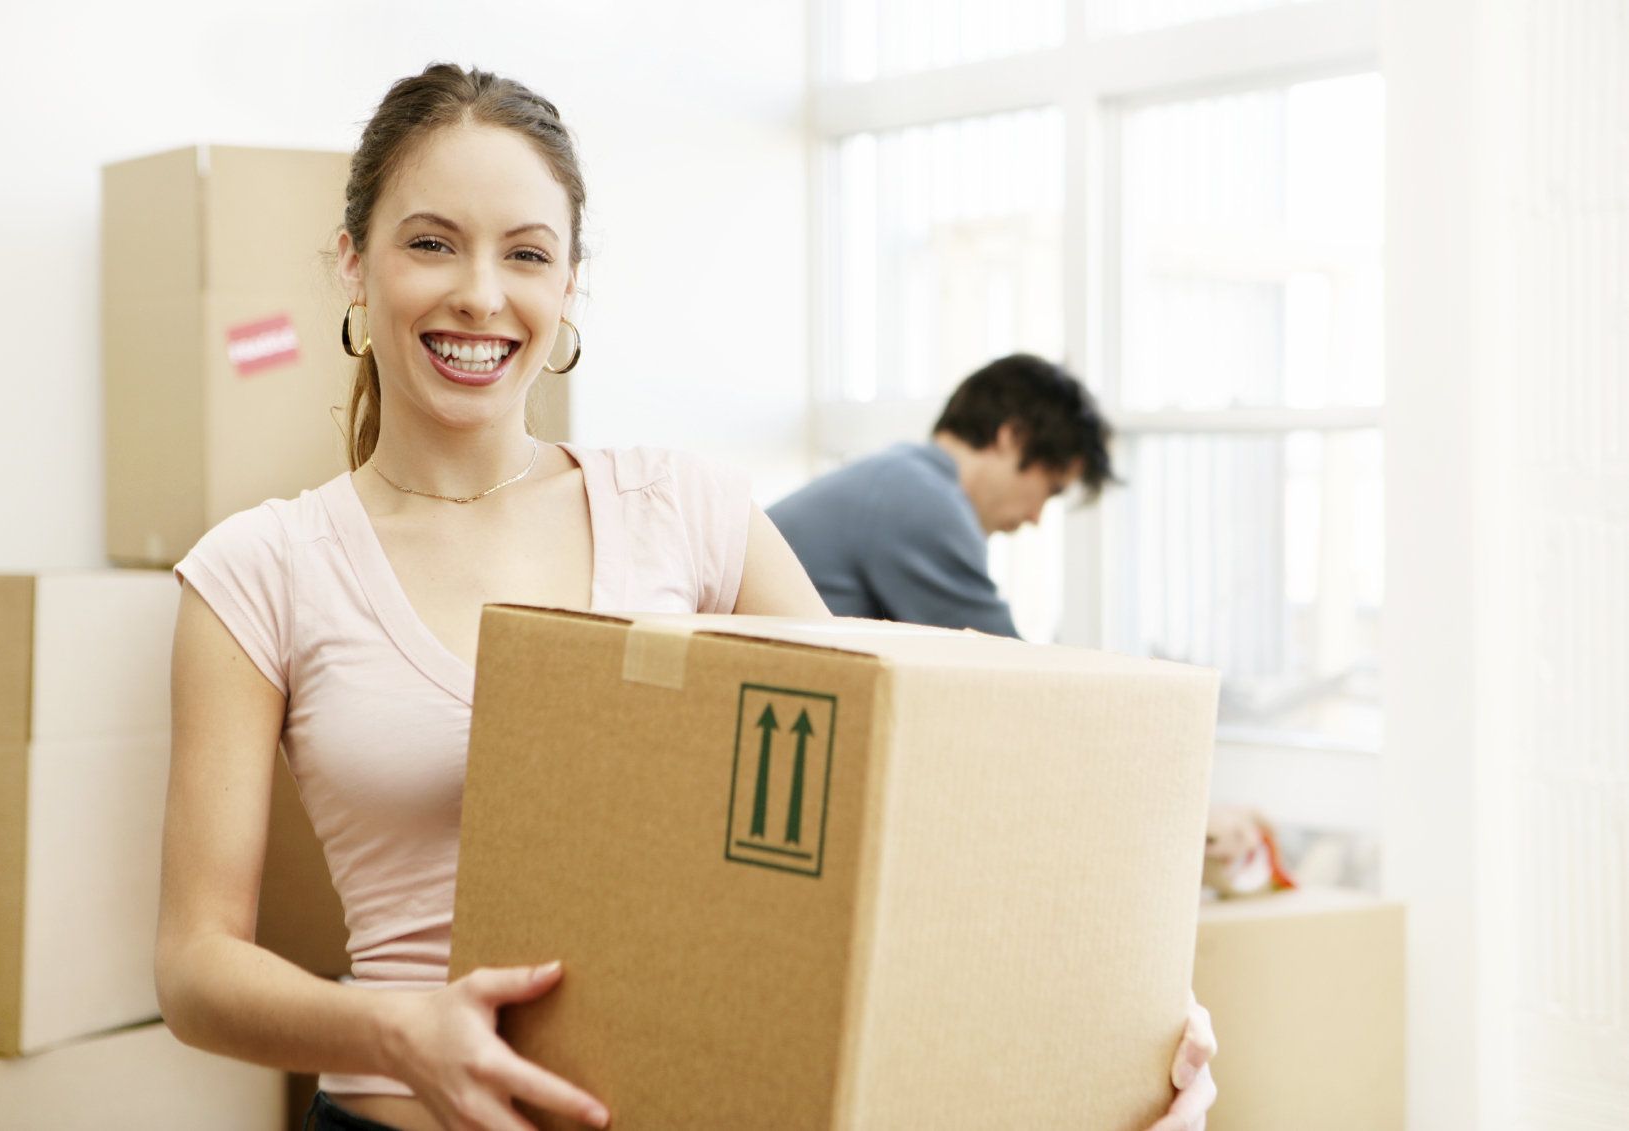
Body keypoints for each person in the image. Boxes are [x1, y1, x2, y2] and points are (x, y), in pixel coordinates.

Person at [153, 64, 1215, 1131]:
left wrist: (1122, 1028)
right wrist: (395, 1029)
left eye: (527, 253)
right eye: (432, 242)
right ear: (353, 262)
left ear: (569, 285)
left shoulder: (686, 512)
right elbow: (195, 968)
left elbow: (913, 807)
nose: (481, 293)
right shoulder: (261, 568)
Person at [769, 353, 1113, 638]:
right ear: (1014, 437)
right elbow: (1013, 676)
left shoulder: (897, 476)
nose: (1036, 517)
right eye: (1051, 489)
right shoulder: (923, 502)